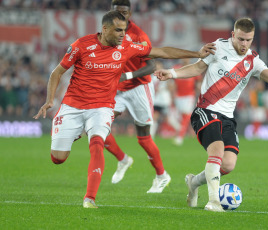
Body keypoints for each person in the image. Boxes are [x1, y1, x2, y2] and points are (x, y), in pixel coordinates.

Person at [33, 10, 215, 209]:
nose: (122, 34)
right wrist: (50, 100)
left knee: (96, 143)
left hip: (102, 107)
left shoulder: (128, 47)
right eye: (118, 30)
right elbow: (57, 71)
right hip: (72, 106)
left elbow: (162, 52)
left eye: (124, 30)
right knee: (58, 158)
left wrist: (197, 53)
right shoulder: (81, 45)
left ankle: (89, 199)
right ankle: (74, 132)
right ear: (104, 29)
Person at [155, 17, 268, 212]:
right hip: (205, 110)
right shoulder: (217, 48)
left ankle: (194, 183)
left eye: (248, 40)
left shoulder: (253, 60)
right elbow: (197, 68)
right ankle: (214, 201)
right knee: (217, 149)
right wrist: (171, 73)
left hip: (227, 117)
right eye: (241, 39)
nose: (244, 44)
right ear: (233, 35)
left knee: (228, 164)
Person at [103, 0, 170, 193]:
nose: (121, 16)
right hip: (117, 90)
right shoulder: (106, 33)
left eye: (124, 12)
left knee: (144, 139)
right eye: (118, 12)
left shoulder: (139, 35)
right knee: (99, 127)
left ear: (130, 13)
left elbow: (151, 66)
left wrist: (128, 75)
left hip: (139, 88)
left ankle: (162, 175)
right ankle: (123, 160)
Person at [172, 58, 202, 146]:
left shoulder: (193, 68)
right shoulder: (176, 68)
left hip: (189, 96)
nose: (185, 59)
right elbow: (172, 81)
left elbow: (199, 80)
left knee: (186, 116)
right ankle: (181, 132)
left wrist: (198, 88)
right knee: (180, 117)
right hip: (178, 96)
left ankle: (180, 137)